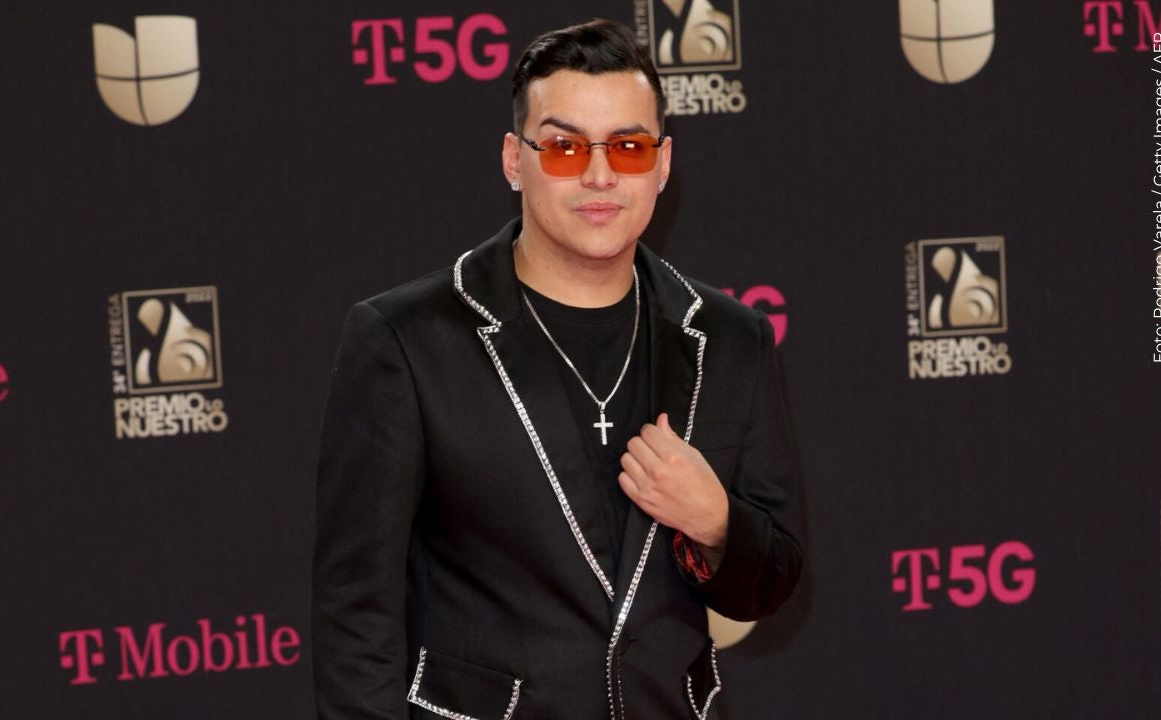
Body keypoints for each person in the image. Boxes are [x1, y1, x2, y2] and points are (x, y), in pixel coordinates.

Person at [312, 18, 803, 720]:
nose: (600, 175)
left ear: (663, 164)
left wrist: (717, 522)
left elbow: (772, 581)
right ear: (515, 160)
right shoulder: (405, 341)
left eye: (628, 147)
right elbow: (355, 615)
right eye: (566, 147)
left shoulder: (730, 339)